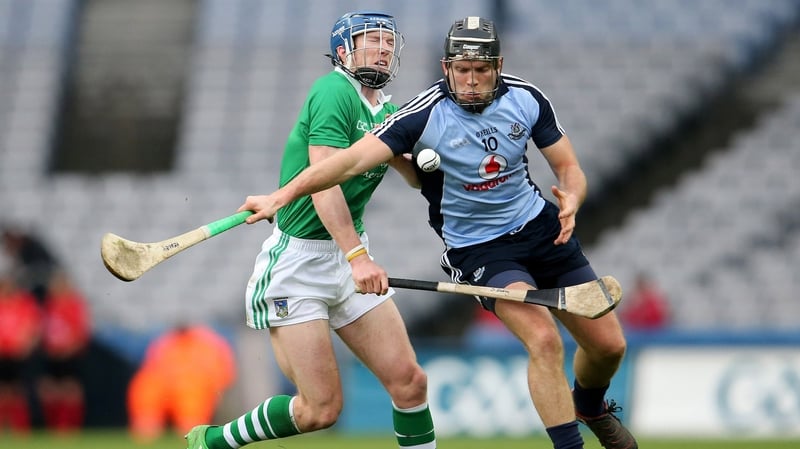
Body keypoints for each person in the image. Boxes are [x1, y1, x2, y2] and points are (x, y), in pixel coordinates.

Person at [238, 16, 637, 449]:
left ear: (497, 66)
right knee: (542, 339)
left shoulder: (527, 99)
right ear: (446, 67)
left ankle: (591, 406)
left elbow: (569, 168)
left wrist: (573, 197)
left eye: (481, 70)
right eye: (461, 70)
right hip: (480, 250)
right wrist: (281, 197)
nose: (470, 80)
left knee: (609, 347)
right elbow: (345, 164)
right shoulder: (419, 114)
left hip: (543, 231)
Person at [186, 11, 436, 449]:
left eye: (388, 41)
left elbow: (415, 180)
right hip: (298, 265)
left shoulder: (390, 110)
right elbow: (324, 186)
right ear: (343, 51)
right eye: (371, 40)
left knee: (410, 383)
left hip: (345, 259)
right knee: (319, 410)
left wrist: (421, 163)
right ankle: (214, 441)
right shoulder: (332, 90)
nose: (383, 48)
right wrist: (359, 256)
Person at [129, 324, 236, 442]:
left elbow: (223, 373)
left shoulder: (210, 342)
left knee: (191, 392)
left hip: (194, 386)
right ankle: (147, 426)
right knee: (147, 387)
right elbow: (151, 366)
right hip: (165, 383)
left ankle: (190, 428)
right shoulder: (165, 342)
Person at [36, 270, 92, 433]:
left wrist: (70, 349)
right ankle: (54, 426)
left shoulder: (74, 305)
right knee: (50, 391)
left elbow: (81, 332)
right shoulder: (49, 305)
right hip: (51, 355)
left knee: (70, 390)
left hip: (70, 355)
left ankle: (70, 427)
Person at [0, 271, 42, 433]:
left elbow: (33, 327)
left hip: (18, 355)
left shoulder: (23, 302)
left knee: (18, 391)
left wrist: (26, 345)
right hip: (3, 354)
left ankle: (20, 428)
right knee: (3, 391)